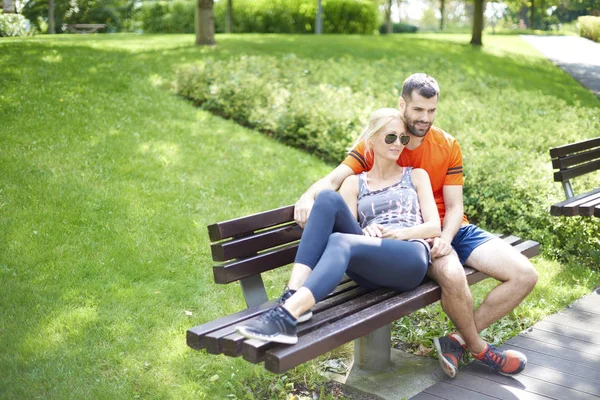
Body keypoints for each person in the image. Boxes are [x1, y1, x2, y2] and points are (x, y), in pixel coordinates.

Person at [292, 74, 538, 378]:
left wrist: (446, 237)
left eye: (431, 111)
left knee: (525, 274)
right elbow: (334, 178)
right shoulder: (388, 139)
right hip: (410, 239)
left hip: (450, 228)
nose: (425, 118)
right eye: (419, 110)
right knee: (453, 275)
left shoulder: (447, 145)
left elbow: (455, 205)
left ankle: (457, 341)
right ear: (402, 104)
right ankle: (480, 348)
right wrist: (308, 195)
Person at [236, 108, 441, 344]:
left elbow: (434, 226)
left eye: (403, 138)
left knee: (340, 240)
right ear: (371, 140)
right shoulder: (353, 183)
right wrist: (364, 233)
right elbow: (351, 231)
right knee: (326, 198)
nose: (398, 143)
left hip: (409, 257)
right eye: (390, 137)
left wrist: (401, 234)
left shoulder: (416, 176)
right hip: (369, 266)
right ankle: (292, 295)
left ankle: (286, 317)